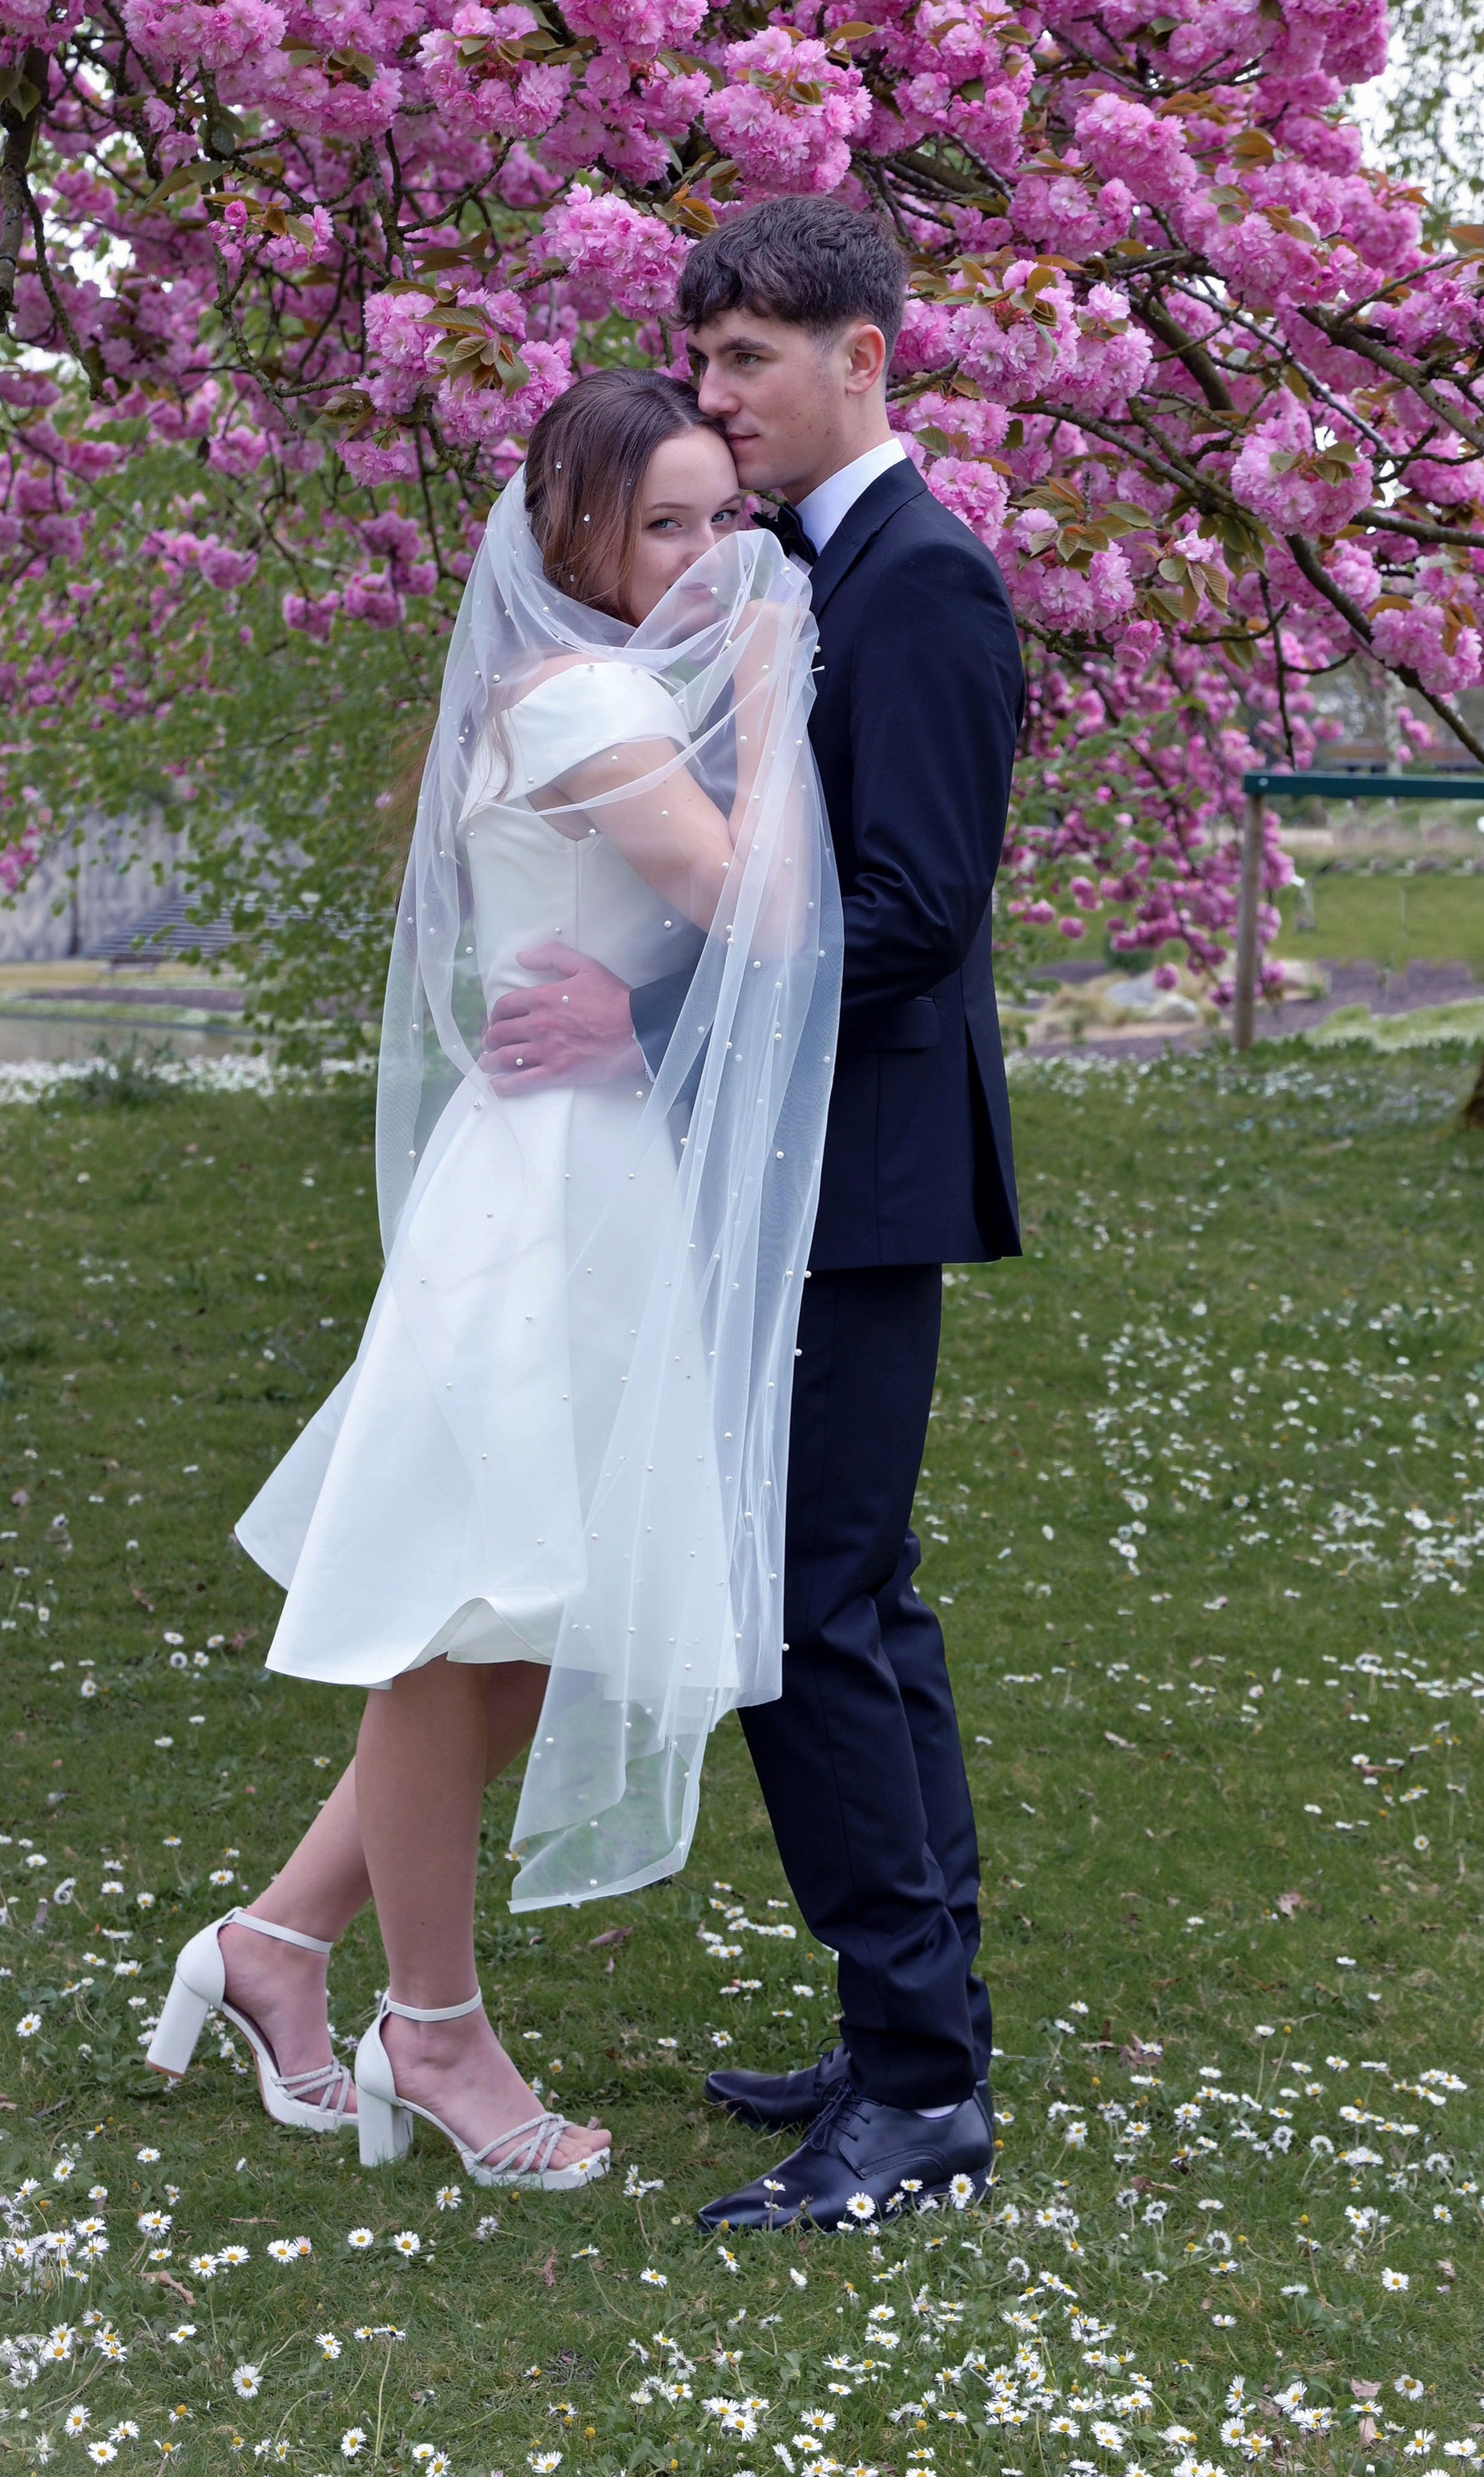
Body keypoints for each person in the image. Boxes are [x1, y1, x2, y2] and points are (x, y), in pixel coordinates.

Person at [144, 366, 840, 2189]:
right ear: (575, 537)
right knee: (467, 1618)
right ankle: (432, 2030)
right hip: (545, 1200)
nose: (707, 558)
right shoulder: (588, 696)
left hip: (574, 1176)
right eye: (664, 525)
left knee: (521, 1621)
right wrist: (766, 701)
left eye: (724, 520)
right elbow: (763, 910)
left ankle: (278, 1944)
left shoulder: (581, 687)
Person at [482, 198, 1024, 2230]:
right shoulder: (806, 571)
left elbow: (904, 921)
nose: (710, 400)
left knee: (806, 1616)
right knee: (852, 1604)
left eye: (744, 366)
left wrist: (631, 1010)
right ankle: (912, 2027)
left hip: (855, 1173)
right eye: (696, 362)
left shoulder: (925, 587)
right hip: (791, 1159)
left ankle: (916, 2091)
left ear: (863, 355)